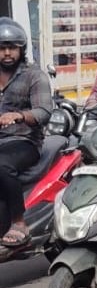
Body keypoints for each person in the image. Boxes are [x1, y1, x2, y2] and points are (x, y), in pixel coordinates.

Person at [0, 17, 52, 246]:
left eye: (12, 48)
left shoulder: (34, 75)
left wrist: (20, 116)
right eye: (2, 48)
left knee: (2, 164)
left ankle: (19, 221)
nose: (7, 53)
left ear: (21, 50)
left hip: (24, 140)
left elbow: (43, 111)